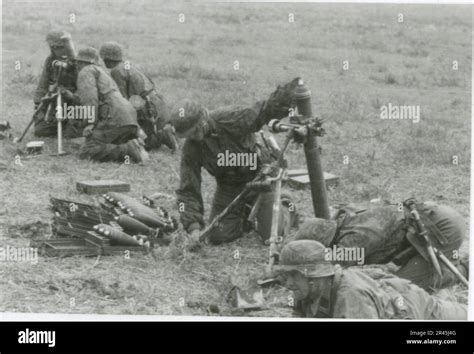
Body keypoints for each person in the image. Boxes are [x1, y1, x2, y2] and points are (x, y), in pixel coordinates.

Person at [170, 78, 302, 247]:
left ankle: (285, 203)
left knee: (271, 235)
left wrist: (291, 92)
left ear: (203, 119)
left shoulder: (232, 118)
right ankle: (250, 212)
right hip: (229, 186)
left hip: (261, 178)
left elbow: (264, 110)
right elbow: (188, 189)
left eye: (195, 132)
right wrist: (193, 227)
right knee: (218, 236)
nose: (193, 138)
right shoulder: (191, 148)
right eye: (188, 136)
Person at [291, 200, 468, 292]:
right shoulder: (344, 220)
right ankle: (438, 264)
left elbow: (328, 270)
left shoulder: (356, 239)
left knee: (399, 288)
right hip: (427, 221)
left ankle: (463, 269)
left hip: (441, 229)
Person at [274, 240, 467, 319]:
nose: (288, 283)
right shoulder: (306, 291)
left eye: (294, 275)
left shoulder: (351, 297)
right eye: (286, 275)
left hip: (422, 313)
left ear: (315, 276)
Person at [61, 47, 147, 163]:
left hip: (114, 118)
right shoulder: (102, 72)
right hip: (128, 117)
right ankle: (134, 144)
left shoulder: (85, 71)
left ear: (80, 62)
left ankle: (127, 149)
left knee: (87, 151)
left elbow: (91, 99)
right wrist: (72, 97)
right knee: (91, 142)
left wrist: (90, 123)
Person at [99, 41, 176, 152]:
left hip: (146, 107)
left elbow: (122, 101)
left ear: (108, 59)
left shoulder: (116, 71)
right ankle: (164, 132)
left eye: (104, 58)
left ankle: (162, 136)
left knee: (134, 142)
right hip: (155, 101)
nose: (103, 61)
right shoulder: (127, 65)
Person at [33, 30, 83, 138]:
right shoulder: (51, 60)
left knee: (71, 133)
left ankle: (72, 124)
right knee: (40, 130)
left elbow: (86, 90)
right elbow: (43, 84)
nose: (59, 51)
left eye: (61, 47)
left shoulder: (77, 62)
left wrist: (72, 96)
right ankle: (62, 123)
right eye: (54, 48)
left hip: (76, 103)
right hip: (58, 102)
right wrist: (38, 105)